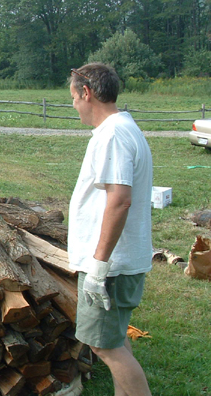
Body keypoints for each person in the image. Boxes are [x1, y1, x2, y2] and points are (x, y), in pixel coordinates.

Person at [67, 63, 153, 395]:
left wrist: (99, 267)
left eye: (74, 97)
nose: (74, 105)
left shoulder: (113, 134)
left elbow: (119, 200)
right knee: (113, 339)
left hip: (110, 265)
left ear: (86, 93)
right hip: (117, 261)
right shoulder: (123, 128)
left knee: (105, 347)